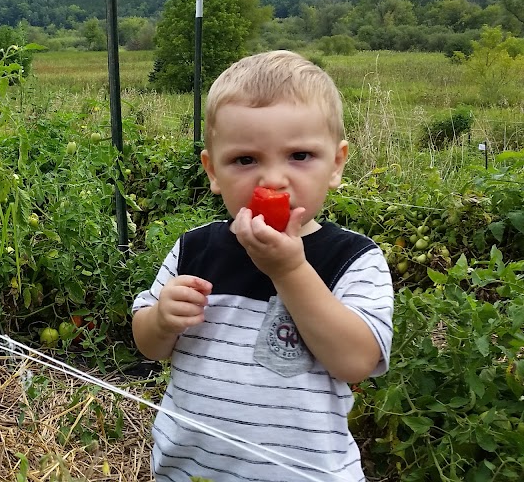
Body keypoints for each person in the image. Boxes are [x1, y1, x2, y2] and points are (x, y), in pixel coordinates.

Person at [132, 50, 394, 482]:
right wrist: (161, 319)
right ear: (213, 170)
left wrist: (289, 271)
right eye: (245, 160)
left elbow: (356, 361)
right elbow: (149, 345)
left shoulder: (352, 258)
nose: (272, 180)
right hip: (190, 471)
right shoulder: (195, 248)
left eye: (300, 156)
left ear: (336, 163)